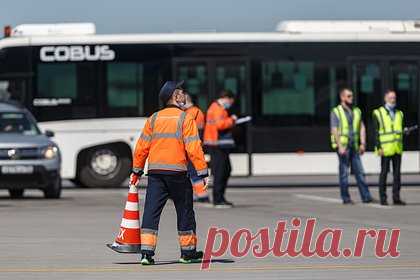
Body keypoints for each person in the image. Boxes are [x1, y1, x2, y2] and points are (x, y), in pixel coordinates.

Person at [129, 81, 209, 265]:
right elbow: (194, 148)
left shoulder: (153, 118)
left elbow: (141, 147)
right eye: (181, 92)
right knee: (185, 211)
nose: (184, 95)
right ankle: (188, 253)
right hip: (177, 174)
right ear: (175, 96)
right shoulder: (185, 118)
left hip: (156, 174)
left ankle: (146, 254)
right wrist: (203, 172)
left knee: (151, 211)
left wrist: (137, 170)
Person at [330, 88, 373, 204]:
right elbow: (334, 130)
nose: (351, 98)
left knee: (360, 172)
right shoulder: (336, 111)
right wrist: (340, 146)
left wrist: (363, 143)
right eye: (348, 96)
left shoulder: (357, 111)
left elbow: (362, 127)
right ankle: (346, 198)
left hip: (354, 145)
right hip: (344, 146)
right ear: (342, 97)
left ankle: (366, 196)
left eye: (352, 96)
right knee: (344, 173)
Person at [204, 90, 237, 208]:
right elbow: (220, 125)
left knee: (225, 170)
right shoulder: (218, 108)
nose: (231, 104)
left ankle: (220, 197)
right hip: (217, 144)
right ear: (226, 98)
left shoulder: (216, 107)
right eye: (231, 101)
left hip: (217, 144)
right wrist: (232, 120)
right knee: (221, 171)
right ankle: (218, 199)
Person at [373, 90, 406, 206]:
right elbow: (376, 133)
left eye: (394, 98)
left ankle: (396, 197)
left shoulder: (399, 113)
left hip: (397, 148)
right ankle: (383, 198)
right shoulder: (378, 113)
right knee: (384, 173)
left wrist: (404, 132)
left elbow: (398, 130)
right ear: (385, 99)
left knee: (397, 175)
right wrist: (378, 147)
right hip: (385, 149)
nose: (393, 100)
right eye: (391, 98)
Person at [183, 93, 210, 203]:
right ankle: (199, 194)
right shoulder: (192, 112)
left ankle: (201, 194)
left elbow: (196, 132)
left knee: (193, 171)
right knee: (192, 171)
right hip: (191, 146)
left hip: (192, 147)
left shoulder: (194, 112)